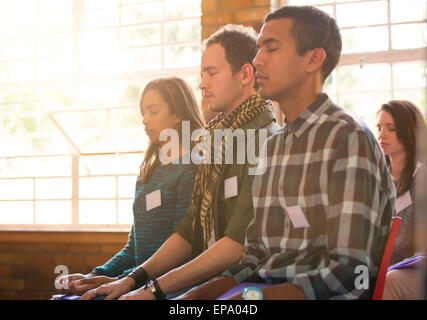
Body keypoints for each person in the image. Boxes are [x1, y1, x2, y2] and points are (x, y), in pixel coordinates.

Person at [178, 5, 395, 300]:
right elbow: (253, 257)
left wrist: (250, 299)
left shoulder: (347, 139)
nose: (256, 61)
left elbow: (349, 273)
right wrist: (198, 296)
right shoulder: (272, 147)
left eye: (271, 48)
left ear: (313, 59)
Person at [80, 24, 279, 300]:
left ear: (245, 74)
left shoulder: (264, 141)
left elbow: (235, 246)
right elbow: (188, 232)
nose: (202, 83)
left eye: (211, 72)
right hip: (203, 284)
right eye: (201, 73)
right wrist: (131, 280)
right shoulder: (215, 141)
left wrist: (153, 289)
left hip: (241, 290)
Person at [55, 77, 205, 296]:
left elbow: (180, 250)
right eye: (143, 112)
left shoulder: (191, 170)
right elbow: (134, 247)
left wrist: (122, 280)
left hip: (164, 287)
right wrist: (93, 276)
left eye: (153, 111)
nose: (144, 120)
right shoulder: (148, 172)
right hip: (132, 280)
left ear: (178, 114)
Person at [376, 100, 427, 300]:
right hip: (382, 264)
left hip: (414, 265)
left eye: (391, 128)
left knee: (390, 281)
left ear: (409, 131)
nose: (382, 135)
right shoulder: (379, 178)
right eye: (379, 128)